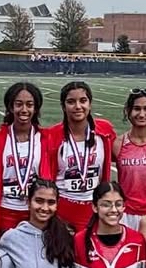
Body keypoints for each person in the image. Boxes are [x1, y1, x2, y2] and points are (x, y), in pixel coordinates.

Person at [40, 81, 116, 230]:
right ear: (63, 106)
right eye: (71, 102)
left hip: (94, 206)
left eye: (83, 100)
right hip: (62, 207)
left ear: (90, 103)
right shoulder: (52, 135)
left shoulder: (104, 130)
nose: (78, 106)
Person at [0, 82, 43, 233]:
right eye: (19, 104)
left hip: (35, 212)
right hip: (6, 210)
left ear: (36, 108)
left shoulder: (46, 138)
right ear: (10, 107)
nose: (24, 109)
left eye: (29, 104)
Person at [113, 88, 146, 231]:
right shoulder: (119, 143)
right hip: (125, 215)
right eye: (137, 109)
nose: (142, 114)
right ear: (128, 111)